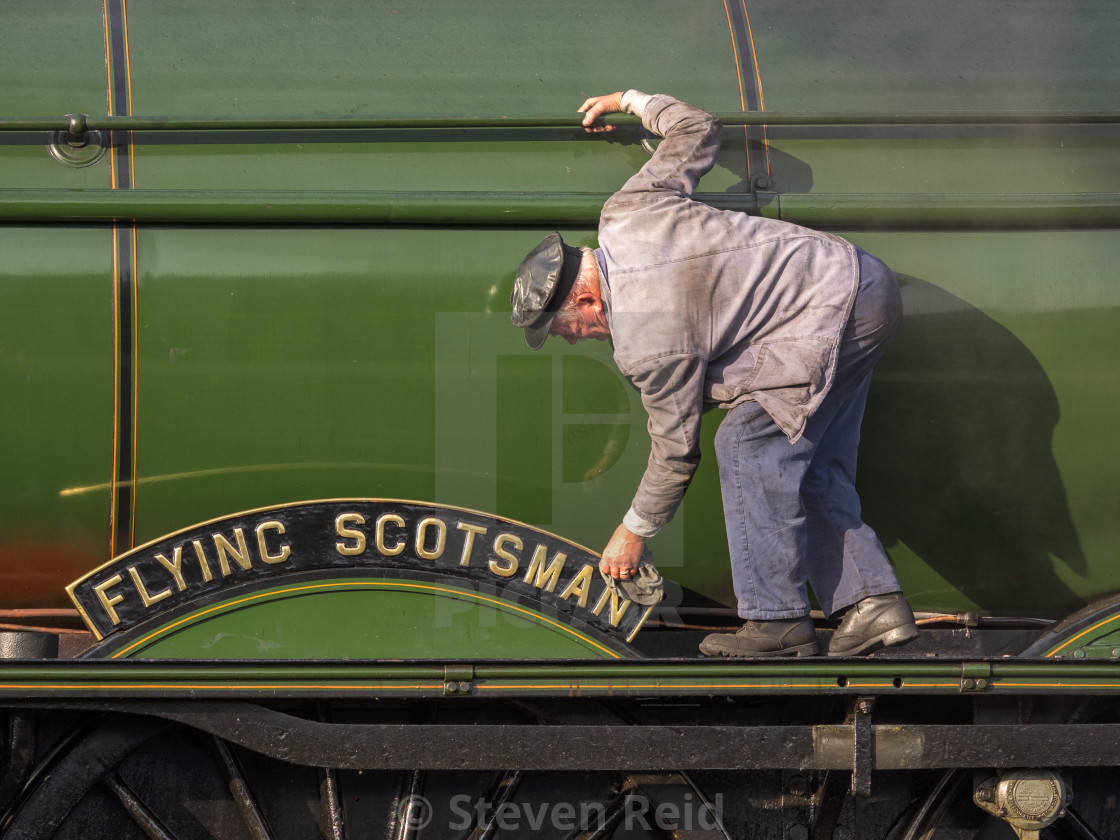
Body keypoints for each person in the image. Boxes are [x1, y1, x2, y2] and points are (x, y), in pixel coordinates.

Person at [509, 90, 918, 657]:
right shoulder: (627, 212)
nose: (573, 340)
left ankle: (776, 623)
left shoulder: (647, 341)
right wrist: (630, 99)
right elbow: (698, 128)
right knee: (806, 457)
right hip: (862, 279)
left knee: (747, 443)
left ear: (584, 302)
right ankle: (872, 607)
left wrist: (632, 533)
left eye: (563, 330)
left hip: (822, 316)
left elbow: (676, 451)